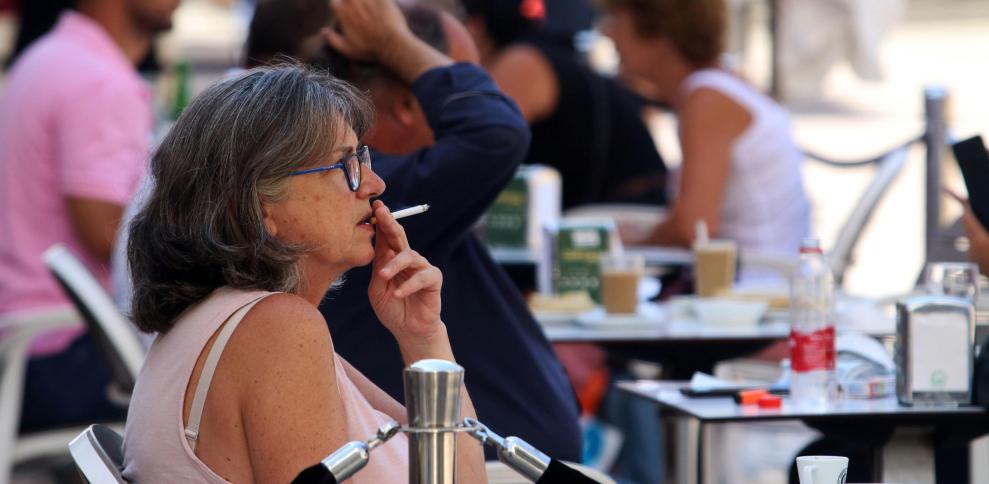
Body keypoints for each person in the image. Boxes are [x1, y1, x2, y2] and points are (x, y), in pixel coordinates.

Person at [245, 0, 582, 461]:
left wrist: (424, 338)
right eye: (450, 77)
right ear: (408, 101)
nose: (373, 184)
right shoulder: (336, 206)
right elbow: (495, 132)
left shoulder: (354, 204)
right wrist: (395, 43)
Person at [121, 59, 487, 482]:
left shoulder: (251, 321)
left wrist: (422, 336)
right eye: (345, 166)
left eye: (363, 159)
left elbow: (452, 473)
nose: (375, 185)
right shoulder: (277, 332)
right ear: (260, 206)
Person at [0, 0, 177, 432]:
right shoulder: (96, 81)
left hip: (28, 347)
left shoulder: (52, 56)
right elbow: (110, 236)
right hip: (60, 353)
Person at [599, 0, 810, 281]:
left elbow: (693, 227)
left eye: (616, 19)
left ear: (660, 33)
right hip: (754, 280)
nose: (606, 32)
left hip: (750, 291)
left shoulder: (706, 97)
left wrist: (624, 246)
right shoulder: (719, 82)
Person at [461, 0, 668, 210]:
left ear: (475, 27)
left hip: (625, 218)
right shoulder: (542, 53)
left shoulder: (522, 62)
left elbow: (466, 153)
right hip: (609, 217)